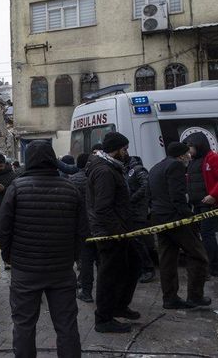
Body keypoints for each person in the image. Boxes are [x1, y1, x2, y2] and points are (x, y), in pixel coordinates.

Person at [0, 140, 86, 358]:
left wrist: (9, 257)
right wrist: (72, 257)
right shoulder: (71, 190)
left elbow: (3, 229)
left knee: (24, 325)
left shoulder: (16, 189)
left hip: (25, 271)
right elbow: (82, 231)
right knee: (66, 325)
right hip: (61, 270)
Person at [86, 132, 140, 333]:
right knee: (109, 275)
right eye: (124, 149)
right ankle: (103, 318)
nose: (127, 153)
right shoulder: (104, 171)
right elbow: (103, 208)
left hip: (119, 231)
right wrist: (118, 232)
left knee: (132, 265)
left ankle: (119, 306)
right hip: (110, 233)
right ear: (116, 149)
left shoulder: (111, 167)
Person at [147, 142, 210, 309]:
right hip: (175, 218)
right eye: (187, 154)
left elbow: (150, 194)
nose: (190, 156)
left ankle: (170, 298)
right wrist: (189, 218)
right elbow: (177, 196)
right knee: (198, 254)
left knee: (167, 258)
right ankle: (195, 296)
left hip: (158, 217)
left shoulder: (156, 167)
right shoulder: (176, 166)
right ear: (181, 155)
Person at [185, 132, 218, 277]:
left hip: (208, 204)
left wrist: (213, 195)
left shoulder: (212, 158)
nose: (189, 150)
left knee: (207, 234)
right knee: (202, 235)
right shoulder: (192, 161)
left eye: (190, 146)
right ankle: (207, 263)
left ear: (198, 145)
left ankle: (214, 267)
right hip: (196, 204)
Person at [70, 153, 97, 303]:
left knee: (86, 260)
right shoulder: (97, 177)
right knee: (101, 261)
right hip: (99, 226)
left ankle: (86, 291)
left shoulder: (72, 180)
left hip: (82, 227)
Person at [126, 156, 156, 283]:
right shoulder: (127, 171)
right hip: (132, 212)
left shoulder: (137, 170)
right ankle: (142, 268)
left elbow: (146, 186)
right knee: (136, 241)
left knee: (139, 241)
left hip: (139, 211)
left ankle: (148, 269)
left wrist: (132, 198)